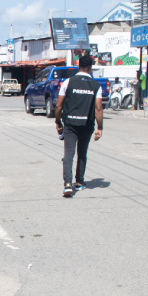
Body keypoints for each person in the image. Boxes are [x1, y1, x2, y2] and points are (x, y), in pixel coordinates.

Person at [54, 54, 103, 197]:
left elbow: (58, 106)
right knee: (82, 152)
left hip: (70, 124)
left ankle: (68, 184)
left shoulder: (68, 82)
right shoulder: (96, 86)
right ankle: (80, 182)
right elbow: (98, 109)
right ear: (90, 68)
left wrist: (58, 122)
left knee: (69, 153)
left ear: (78, 66)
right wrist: (100, 127)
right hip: (86, 125)